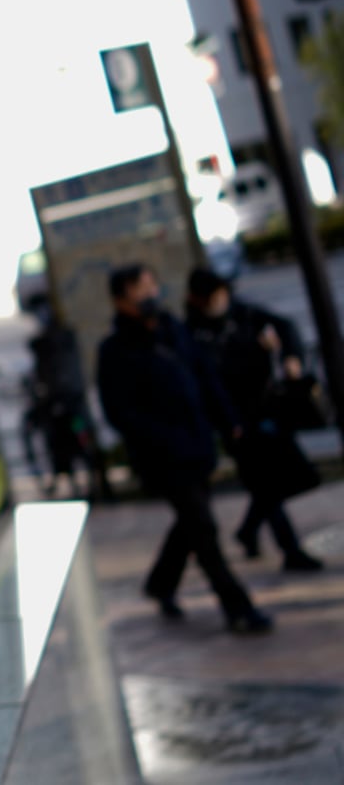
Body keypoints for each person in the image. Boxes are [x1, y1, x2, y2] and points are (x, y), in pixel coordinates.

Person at [96, 264, 273, 634]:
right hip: (163, 457)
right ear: (120, 300)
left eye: (151, 285)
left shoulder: (172, 329)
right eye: (138, 289)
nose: (148, 294)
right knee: (203, 529)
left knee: (191, 524)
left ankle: (161, 583)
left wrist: (228, 422)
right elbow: (119, 411)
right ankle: (237, 607)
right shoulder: (114, 351)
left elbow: (205, 376)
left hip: (197, 445)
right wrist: (159, 437)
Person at [184, 267, 323, 571]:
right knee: (265, 484)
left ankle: (248, 530)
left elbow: (286, 328)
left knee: (294, 478)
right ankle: (290, 549)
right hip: (233, 420)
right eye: (214, 296)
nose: (221, 300)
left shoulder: (244, 314)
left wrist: (290, 356)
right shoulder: (191, 333)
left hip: (266, 408)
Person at [26, 295, 114, 501]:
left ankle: (91, 481)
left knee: (75, 438)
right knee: (68, 439)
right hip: (69, 401)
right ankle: (86, 481)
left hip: (69, 402)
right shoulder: (49, 342)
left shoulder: (53, 342)